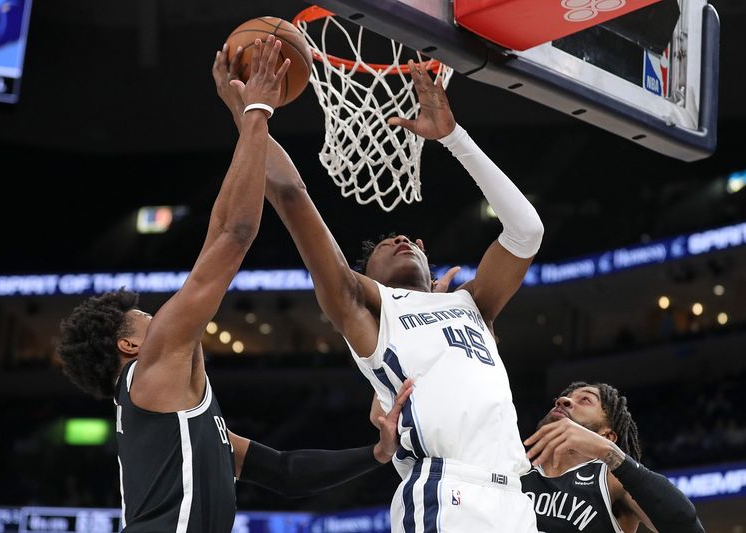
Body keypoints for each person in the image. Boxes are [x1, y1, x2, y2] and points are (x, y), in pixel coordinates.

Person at [56, 37, 409, 532]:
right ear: (130, 343)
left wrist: (374, 454)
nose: (163, 316)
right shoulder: (153, 368)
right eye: (147, 318)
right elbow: (233, 235)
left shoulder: (169, 407)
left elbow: (285, 473)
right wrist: (257, 110)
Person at [216, 51, 544, 532]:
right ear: (363, 276)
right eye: (384, 244)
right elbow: (291, 195)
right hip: (445, 495)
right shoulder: (368, 309)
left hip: (515, 497)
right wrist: (250, 112)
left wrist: (454, 138)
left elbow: (527, 231)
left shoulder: (472, 305)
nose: (400, 240)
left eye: (410, 240)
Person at [522, 382, 705, 533]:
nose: (563, 400)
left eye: (585, 399)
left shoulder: (611, 481)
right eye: (562, 399)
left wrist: (610, 454)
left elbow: (687, 527)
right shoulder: (516, 467)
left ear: (607, 436)